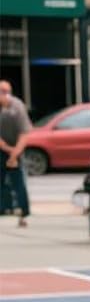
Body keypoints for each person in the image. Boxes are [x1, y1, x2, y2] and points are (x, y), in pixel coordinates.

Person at [0, 80, 31, 228]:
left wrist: (14, 154)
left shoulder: (17, 107)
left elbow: (24, 134)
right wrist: (5, 148)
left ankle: (23, 211)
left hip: (17, 146)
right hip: (3, 147)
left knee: (18, 180)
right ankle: (4, 207)